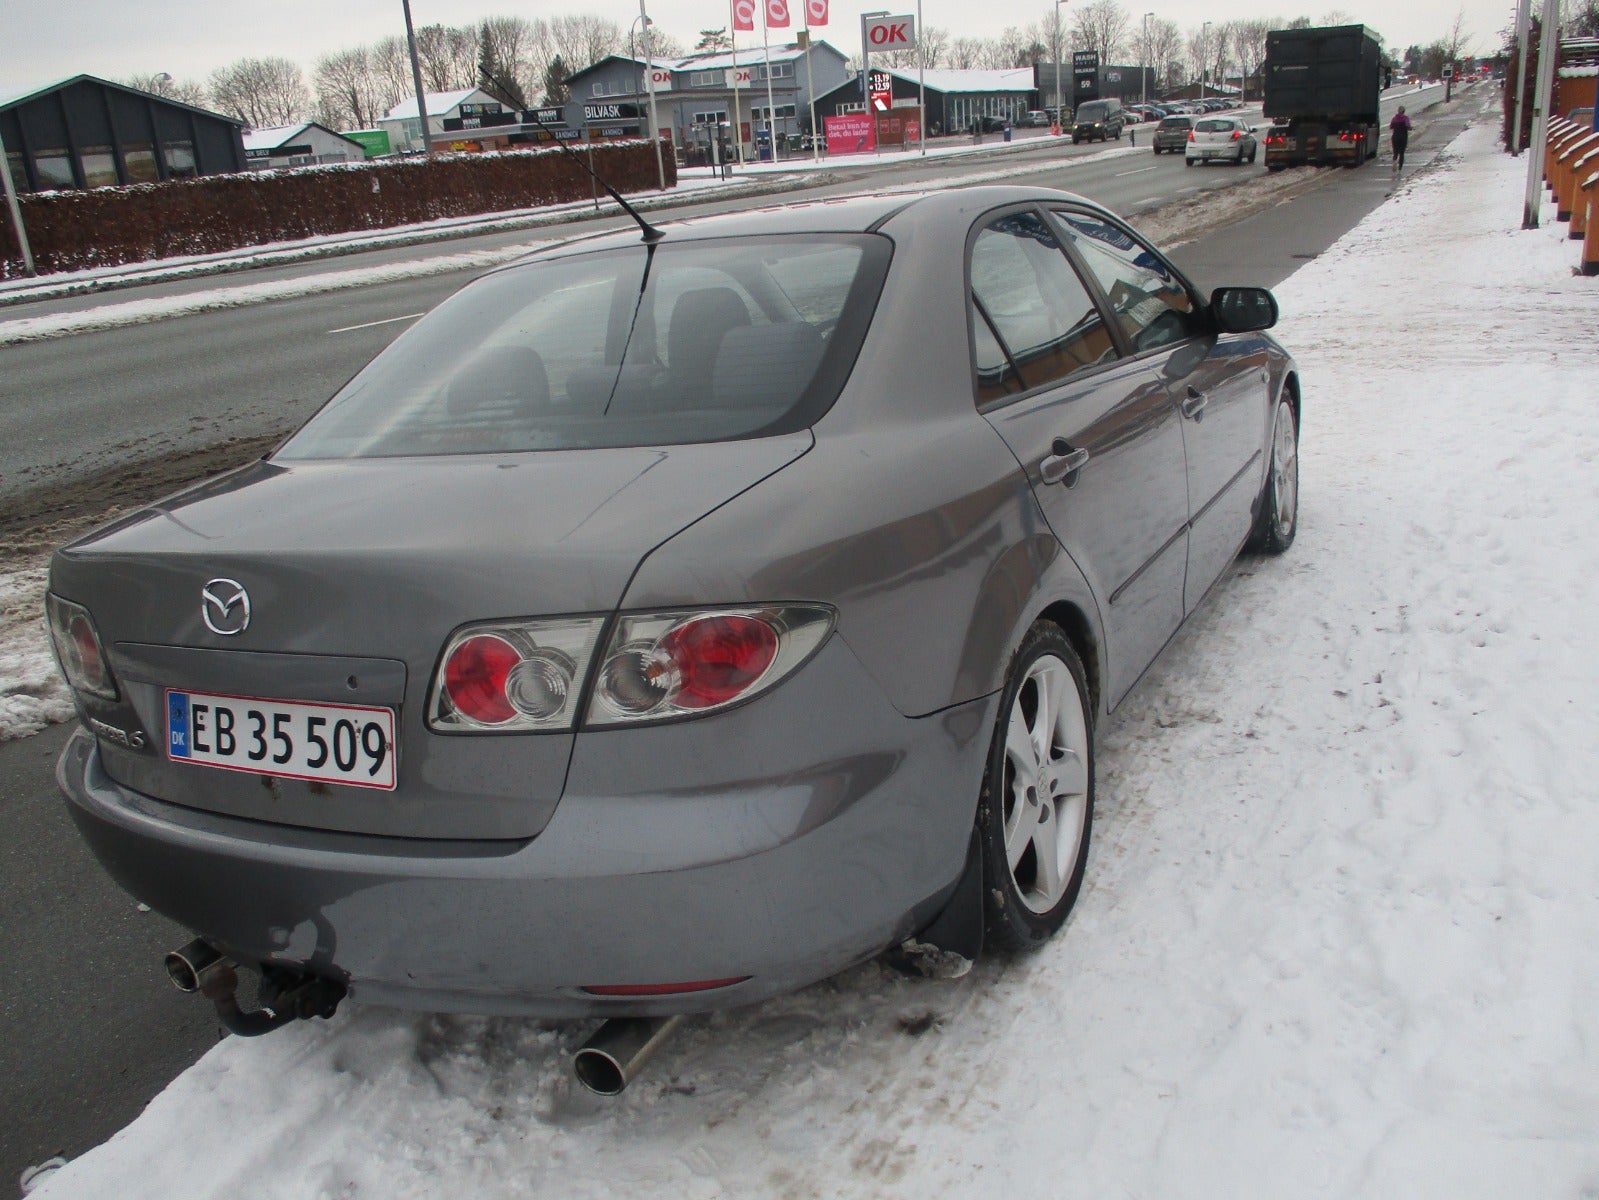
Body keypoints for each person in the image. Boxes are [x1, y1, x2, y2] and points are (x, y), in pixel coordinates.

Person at [1390, 105, 1411, 173]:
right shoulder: (1405, 118)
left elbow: (1391, 126)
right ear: (1404, 111)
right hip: (1403, 137)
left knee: (1395, 151)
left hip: (1395, 137)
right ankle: (1400, 168)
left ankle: (1394, 161)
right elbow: (1408, 126)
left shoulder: (1394, 118)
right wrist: (1410, 128)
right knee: (1402, 153)